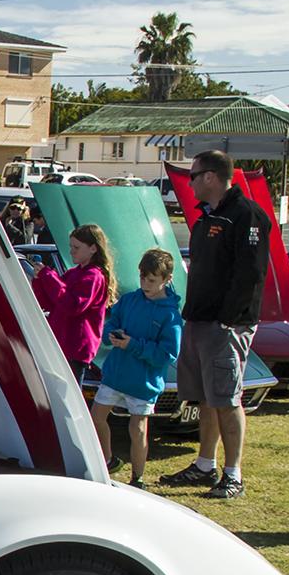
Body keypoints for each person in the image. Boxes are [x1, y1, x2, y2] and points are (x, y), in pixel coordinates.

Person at [159, 150, 271, 499]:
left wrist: (229, 319)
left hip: (227, 325)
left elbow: (250, 274)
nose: (189, 182)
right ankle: (204, 464)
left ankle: (233, 474)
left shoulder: (246, 215)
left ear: (210, 176)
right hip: (199, 319)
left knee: (227, 398)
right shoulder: (206, 217)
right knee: (206, 397)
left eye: (192, 176)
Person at [91, 249, 182, 488]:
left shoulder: (170, 315)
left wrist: (134, 345)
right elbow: (112, 323)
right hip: (115, 374)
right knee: (97, 417)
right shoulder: (130, 299)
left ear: (166, 279)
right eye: (142, 277)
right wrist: (112, 336)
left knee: (138, 429)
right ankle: (108, 460)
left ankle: (138, 478)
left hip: (143, 382)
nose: (145, 283)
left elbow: (167, 354)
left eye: (151, 280)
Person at [30, 223, 115, 379]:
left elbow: (72, 305)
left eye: (76, 247)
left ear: (93, 249)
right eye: (71, 247)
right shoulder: (73, 273)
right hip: (61, 345)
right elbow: (49, 303)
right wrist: (38, 280)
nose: (71, 251)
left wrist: (48, 276)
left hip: (75, 349)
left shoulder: (94, 276)